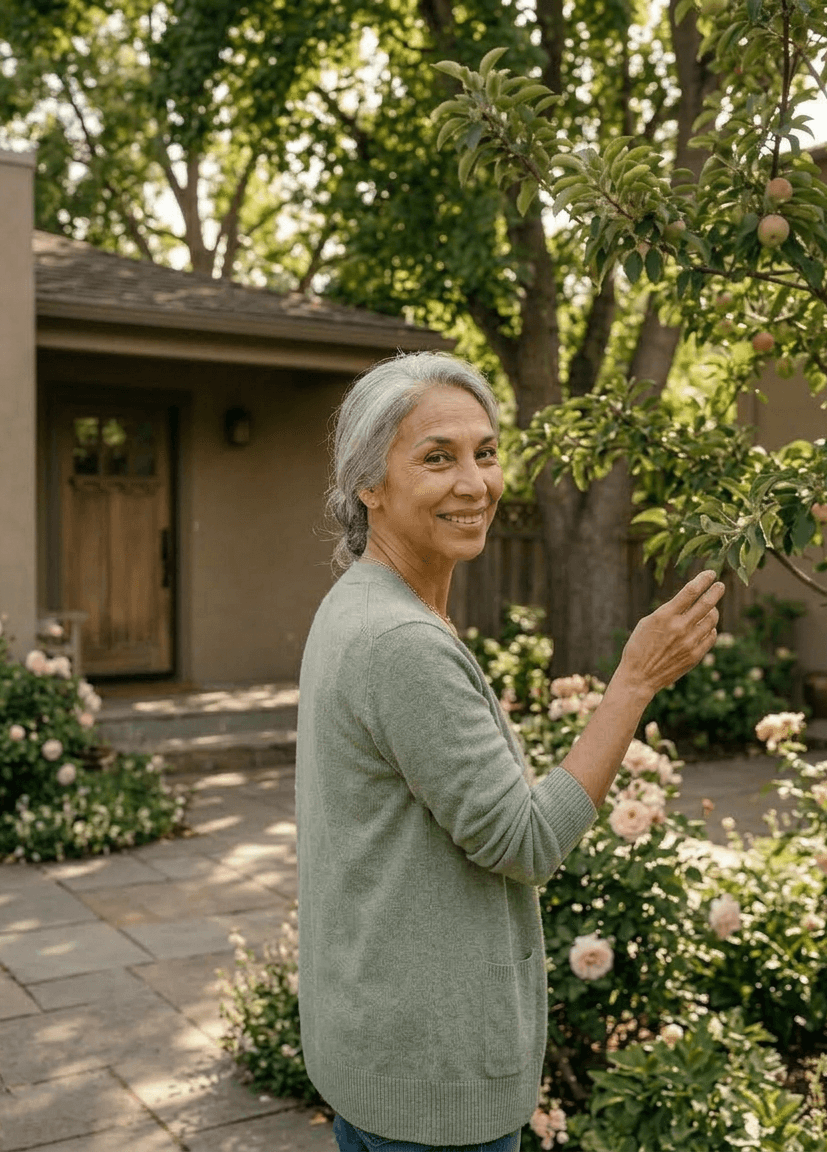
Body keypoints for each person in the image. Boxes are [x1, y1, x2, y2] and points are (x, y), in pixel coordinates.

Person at [295, 351, 724, 1152]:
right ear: (369, 484)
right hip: (431, 1083)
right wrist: (634, 684)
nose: (475, 482)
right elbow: (526, 841)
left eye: (485, 452)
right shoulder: (400, 641)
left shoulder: (354, 603)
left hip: (372, 1050)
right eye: (437, 457)